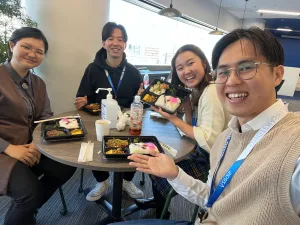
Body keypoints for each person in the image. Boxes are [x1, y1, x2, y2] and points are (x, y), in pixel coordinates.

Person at [115, 27, 300, 225]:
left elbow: (205, 136)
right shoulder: (227, 138)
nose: (232, 80)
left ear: (277, 74)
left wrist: (172, 119)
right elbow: (214, 199)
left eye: (246, 67)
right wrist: (175, 173)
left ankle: (161, 209)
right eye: (223, 72)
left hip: (202, 155)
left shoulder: (293, 144)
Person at [138, 44, 230, 218]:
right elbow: (193, 125)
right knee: (156, 158)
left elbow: (208, 139)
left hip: (214, 161)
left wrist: (173, 118)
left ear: (203, 63)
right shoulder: (197, 91)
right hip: (202, 151)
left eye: (190, 63)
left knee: (157, 168)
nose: (186, 71)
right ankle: (159, 201)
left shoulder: (210, 92)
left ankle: (162, 214)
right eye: (180, 68)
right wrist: (187, 108)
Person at [0, 27, 76, 225]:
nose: (32, 54)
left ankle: (27, 212)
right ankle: (25, 210)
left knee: (66, 166)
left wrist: (37, 142)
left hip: (31, 147)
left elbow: (45, 117)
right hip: (4, 151)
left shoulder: (38, 83)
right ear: (12, 45)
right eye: (26, 47)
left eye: (39, 51)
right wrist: (9, 148)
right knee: (29, 192)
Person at [74, 22, 144, 201]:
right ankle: (102, 181)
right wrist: (82, 101)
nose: (115, 43)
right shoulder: (92, 69)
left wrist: (141, 98)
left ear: (125, 45)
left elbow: (141, 104)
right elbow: (82, 97)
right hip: (100, 118)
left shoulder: (134, 72)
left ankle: (127, 180)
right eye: (110, 38)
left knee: (138, 141)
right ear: (103, 43)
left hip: (126, 120)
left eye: (120, 39)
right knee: (91, 140)